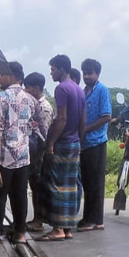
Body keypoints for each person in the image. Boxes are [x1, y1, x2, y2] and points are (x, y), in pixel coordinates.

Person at [0, 61, 38, 245]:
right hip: (24, 154)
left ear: (12, 76)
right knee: (20, 194)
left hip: (4, 154)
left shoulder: (1, 98)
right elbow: (34, 122)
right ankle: (20, 232)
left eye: (2, 75)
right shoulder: (30, 99)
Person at [41, 54, 85, 241]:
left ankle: (58, 229)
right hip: (74, 143)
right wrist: (79, 141)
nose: (51, 73)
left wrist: (50, 143)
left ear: (61, 69)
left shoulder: (61, 89)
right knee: (70, 186)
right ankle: (67, 228)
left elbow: (61, 118)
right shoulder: (79, 89)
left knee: (57, 185)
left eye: (52, 69)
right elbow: (83, 121)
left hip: (62, 142)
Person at [78, 58, 112, 231]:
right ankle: (87, 217)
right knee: (87, 182)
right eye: (85, 73)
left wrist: (86, 129)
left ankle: (96, 220)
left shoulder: (102, 90)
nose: (87, 76)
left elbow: (106, 116)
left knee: (95, 182)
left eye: (90, 73)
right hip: (85, 144)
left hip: (97, 141)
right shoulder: (84, 91)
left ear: (97, 74)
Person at [23, 71, 53, 231]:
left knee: (38, 188)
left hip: (39, 156)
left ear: (36, 88)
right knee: (34, 187)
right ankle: (36, 218)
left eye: (27, 88)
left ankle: (38, 220)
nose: (25, 91)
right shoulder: (35, 104)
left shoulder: (44, 107)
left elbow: (44, 135)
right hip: (34, 154)